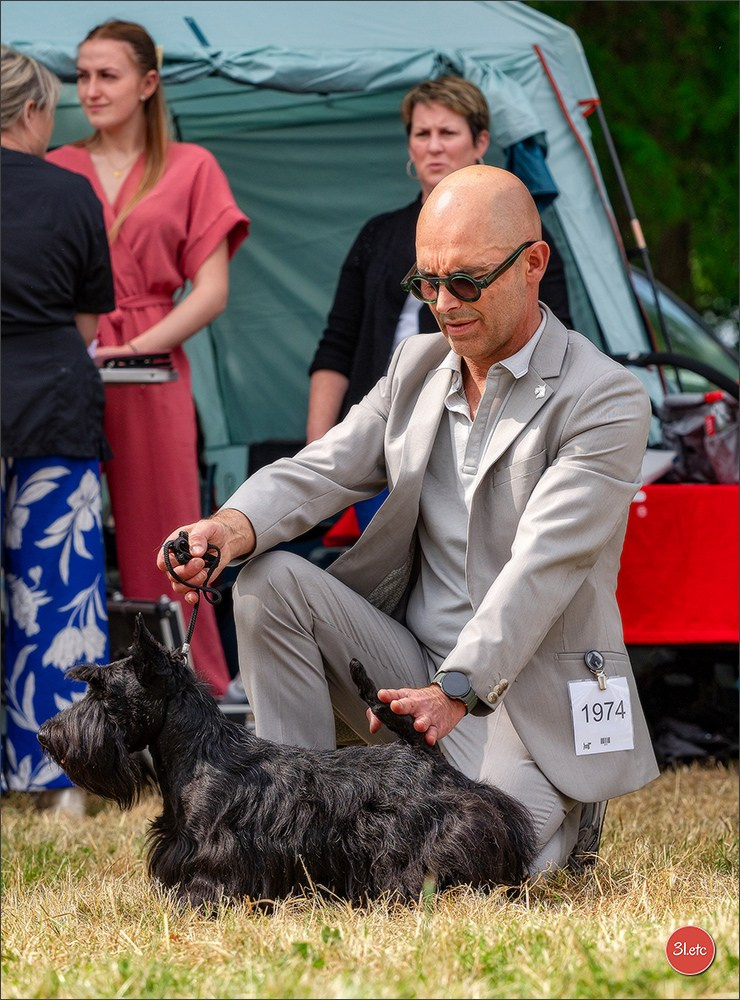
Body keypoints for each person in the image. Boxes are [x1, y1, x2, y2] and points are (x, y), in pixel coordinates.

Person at [157, 164, 659, 876]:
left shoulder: (606, 398)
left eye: (466, 282)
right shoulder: (416, 365)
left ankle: (567, 816)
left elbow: (542, 568)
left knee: (480, 871)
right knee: (267, 578)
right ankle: (285, 825)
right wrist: (230, 527)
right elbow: (325, 466)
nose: (443, 304)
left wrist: (455, 688)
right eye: (426, 283)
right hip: (401, 675)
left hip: (518, 698)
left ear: (534, 264)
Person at [47, 20, 250, 697]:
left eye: (107, 75)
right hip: (63, 365)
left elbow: (213, 290)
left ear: (148, 83)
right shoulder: (55, 166)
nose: (91, 89)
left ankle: (186, 697)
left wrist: (134, 347)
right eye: (82, 76)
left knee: (166, 539)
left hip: (152, 368)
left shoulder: (193, 166)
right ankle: (66, 698)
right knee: (55, 528)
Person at [306, 75, 573, 445]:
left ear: (480, 142)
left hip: (487, 430)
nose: (433, 147)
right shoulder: (378, 234)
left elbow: (551, 340)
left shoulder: (520, 236)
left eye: (447, 133)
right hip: (382, 433)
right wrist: (318, 450)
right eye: (421, 134)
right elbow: (337, 345)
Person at [1, 46, 115, 813]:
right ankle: (61, 782)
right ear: (34, 111)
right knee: (56, 598)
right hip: (52, 402)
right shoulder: (73, 191)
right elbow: (85, 319)